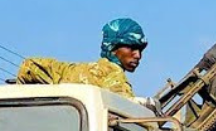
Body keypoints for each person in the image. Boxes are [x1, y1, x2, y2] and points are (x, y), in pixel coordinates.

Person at [16, 18, 146, 98]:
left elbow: (29, 66)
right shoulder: (115, 76)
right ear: (113, 47)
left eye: (140, 49)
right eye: (131, 47)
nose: (138, 55)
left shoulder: (70, 71)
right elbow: (133, 116)